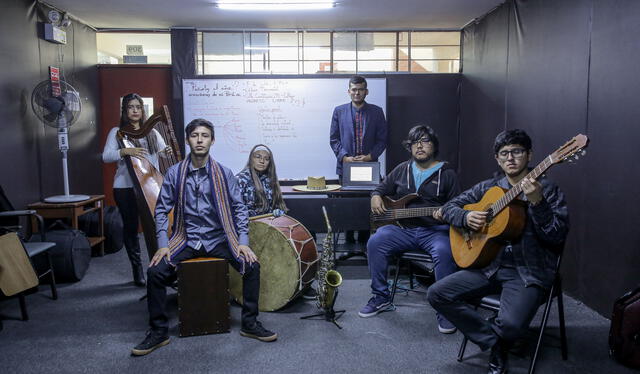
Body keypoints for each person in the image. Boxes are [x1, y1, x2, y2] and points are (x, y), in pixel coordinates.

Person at [427, 129, 569, 374]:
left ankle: (500, 337)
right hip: (488, 265)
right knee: (437, 293)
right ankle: (496, 344)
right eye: (504, 153)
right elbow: (449, 207)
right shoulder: (489, 187)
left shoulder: (547, 189)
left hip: (527, 272)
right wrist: (466, 216)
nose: (510, 158)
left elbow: (557, 237)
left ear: (529, 155)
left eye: (517, 151)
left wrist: (538, 203)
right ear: (497, 159)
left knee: (513, 325)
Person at [131, 118, 277, 356]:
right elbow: (161, 209)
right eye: (195, 135)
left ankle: (250, 324)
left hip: (219, 239)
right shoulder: (175, 172)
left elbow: (239, 208)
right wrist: (162, 245)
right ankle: (158, 332)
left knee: (252, 266)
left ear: (212, 140)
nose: (200, 140)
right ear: (188, 140)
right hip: (185, 238)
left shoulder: (224, 173)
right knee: (155, 272)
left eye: (205, 135)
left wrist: (242, 242)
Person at [359, 125, 460, 334]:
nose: (419, 146)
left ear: (434, 146)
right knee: (376, 241)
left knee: (444, 251)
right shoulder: (402, 169)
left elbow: (458, 206)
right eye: (415, 142)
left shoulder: (447, 173)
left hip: (435, 232)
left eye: (425, 141)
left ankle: (445, 308)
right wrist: (376, 196)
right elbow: (380, 189)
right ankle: (381, 297)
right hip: (402, 229)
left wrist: (447, 213)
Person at [102, 93, 170, 287]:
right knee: (131, 229)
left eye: (138, 107)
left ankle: (160, 267)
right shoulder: (117, 132)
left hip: (150, 187)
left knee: (158, 227)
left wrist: (167, 151)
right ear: (125, 110)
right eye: (131, 107)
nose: (135, 110)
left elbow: (163, 151)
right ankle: (137, 269)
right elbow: (106, 156)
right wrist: (125, 151)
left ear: (142, 110)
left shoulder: (152, 132)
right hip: (125, 188)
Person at [329, 75, 387, 244]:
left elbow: (382, 139)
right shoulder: (339, 111)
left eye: (360, 89)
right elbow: (334, 139)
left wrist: (370, 157)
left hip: (368, 168)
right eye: (354, 89)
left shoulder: (377, 112)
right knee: (347, 206)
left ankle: (363, 242)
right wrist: (344, 157)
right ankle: (348, 241)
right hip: (347, 167)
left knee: (365, 205)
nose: (357, 93)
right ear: (349, 91)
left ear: (366, 91)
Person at [235, 144, 287, 217]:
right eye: (258, 157)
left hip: (269, 223)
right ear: (251, 159)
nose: (262, 161)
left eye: (266, 159)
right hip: (248, 224)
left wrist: (278, 211)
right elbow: (236, 210)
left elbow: (277, 205)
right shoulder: (240, 179)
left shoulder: (270, 179)